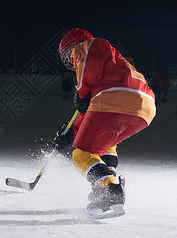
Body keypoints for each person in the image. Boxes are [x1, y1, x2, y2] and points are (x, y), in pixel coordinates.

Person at [54, 28, 156, 218]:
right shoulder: (110, 66)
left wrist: (82, 91)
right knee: (104, 142)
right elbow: (91, 112)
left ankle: (111, 190)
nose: (69, 58)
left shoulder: (91, 45)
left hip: (115, 99)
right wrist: (72, 131)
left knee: (81, 154)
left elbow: (88, 94)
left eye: (68, 52)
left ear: (75, 45)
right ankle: (105, 185)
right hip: (145, 108)